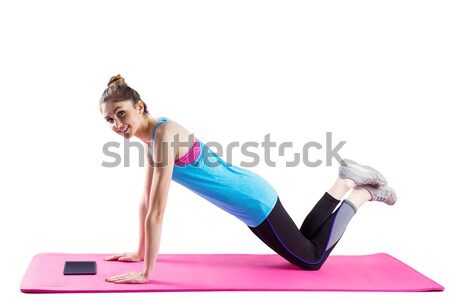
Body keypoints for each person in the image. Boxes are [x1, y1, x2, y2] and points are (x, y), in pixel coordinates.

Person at [100, 74, 397, 284]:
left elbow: (157, 211)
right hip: (251, 194)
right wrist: (140, 251)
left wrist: (147, 272)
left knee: (311, 260)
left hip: (252, 201)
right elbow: (145, 201)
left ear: (139, 106)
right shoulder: (154, 136)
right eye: (109, 119)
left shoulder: (163, 136)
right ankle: (344, 182)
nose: (117, 124)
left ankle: (362, 195)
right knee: (305, 242)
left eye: (121, 113)